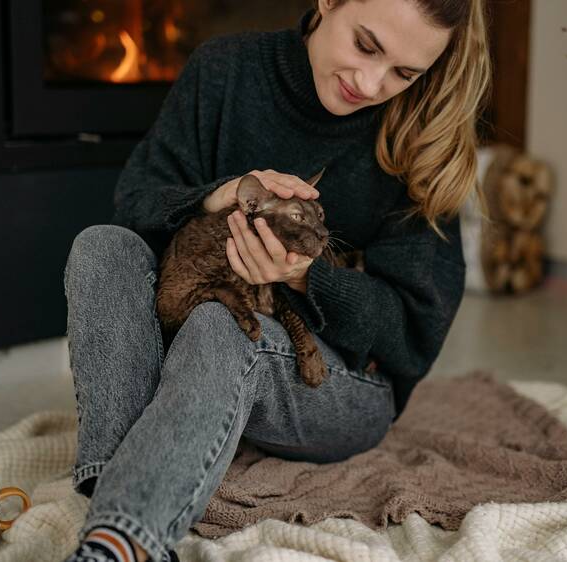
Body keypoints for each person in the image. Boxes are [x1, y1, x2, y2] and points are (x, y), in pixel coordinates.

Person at [62, 0, 491, 560]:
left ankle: (124, 538)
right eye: (365, 44)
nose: (370, 81)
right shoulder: (225, 69)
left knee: (224, 325)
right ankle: (120, 486)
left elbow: (411, 336)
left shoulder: (420, 136)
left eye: (404, 73)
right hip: (190, 326)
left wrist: (304, 278)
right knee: (101, 245)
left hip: (334, 387)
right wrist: (216, 195)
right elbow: (135, 203)